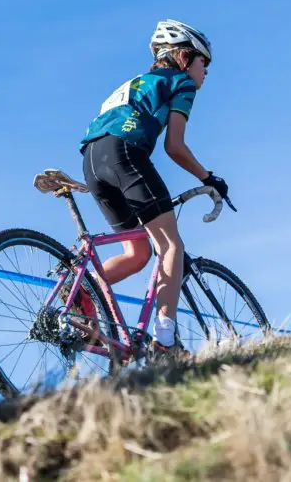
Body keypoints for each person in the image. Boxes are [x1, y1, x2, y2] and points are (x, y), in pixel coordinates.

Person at [66, 19, 229, 358]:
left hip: (92, 160)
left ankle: (81, 290)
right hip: (125, 154)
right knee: (170, 245)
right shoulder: (180, 82)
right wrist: (208, 178)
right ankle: (165, 341)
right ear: (184, 57)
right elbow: (175, 147)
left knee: (138, 252)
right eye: (204, 62)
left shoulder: (134, 83)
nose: (206, 72)